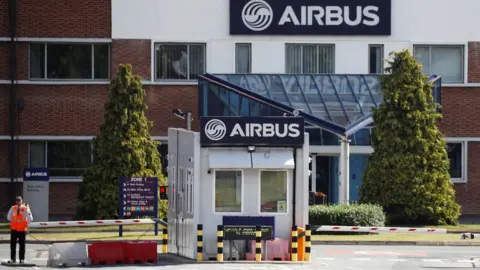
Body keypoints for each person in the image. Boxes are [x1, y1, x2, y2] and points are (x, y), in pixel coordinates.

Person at [6, 196, 33, 264]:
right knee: (13, 245)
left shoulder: (25, 208)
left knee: (22, 245)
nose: (18, 202)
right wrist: (14, 221)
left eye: (19, 200)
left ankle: (21, 259)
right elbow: (8, 217)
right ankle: (13, 259)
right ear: (16, 201)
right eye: (17, 200)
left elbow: (30, 218)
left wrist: (26, 224)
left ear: (21, 201)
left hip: (22, 229)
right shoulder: (13, 208)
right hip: (14, 229)